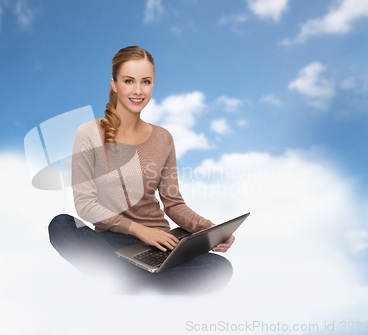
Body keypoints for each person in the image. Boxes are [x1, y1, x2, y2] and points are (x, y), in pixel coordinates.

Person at [48, 46, 236, 295]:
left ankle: (125, 281)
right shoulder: (88, 134)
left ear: (153, 84)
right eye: (129, 81)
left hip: (160, 244)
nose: (138, 91)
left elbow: (173, 203)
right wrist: (139, 230)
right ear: (114, 84)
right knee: (61, 225)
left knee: (218, 267)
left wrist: (208, 229)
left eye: (146, 82)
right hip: (110, 242)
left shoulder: (163, 138)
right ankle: (143, 282)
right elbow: (85, 205)